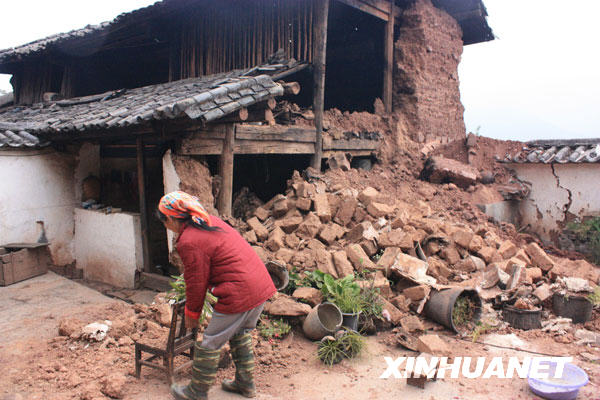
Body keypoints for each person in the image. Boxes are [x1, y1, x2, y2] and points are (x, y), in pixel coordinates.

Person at [157, 191, 276, 400]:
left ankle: (197, 392)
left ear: (172, 219)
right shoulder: (208, 221)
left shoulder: (189, 241)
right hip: (259, 285)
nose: (166, 227)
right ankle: (244, 384)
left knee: (210, 342)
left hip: (239, 291)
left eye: (165, 222)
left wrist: (191, 315)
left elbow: (196, 283)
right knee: (240, 333)